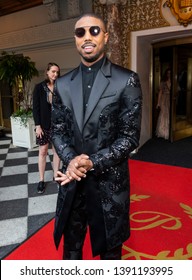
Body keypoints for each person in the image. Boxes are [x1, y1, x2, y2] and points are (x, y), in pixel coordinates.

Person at [51, 13, 142, 260]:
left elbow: (129, 137)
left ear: (106, 36)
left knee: (110, 255)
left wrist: (92, 162)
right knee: (71, 251)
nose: (87, 37)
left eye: (94, 31)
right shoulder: (62, 84)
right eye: (80, 32)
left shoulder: (126, 80)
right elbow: (57, 130)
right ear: (75, 40)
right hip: (72, 183)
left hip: (109, 185)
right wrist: (71, 160)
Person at [33, 62, 61, 194]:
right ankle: (41, 180)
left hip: (57, 125)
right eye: (53, 72)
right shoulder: (39, 88)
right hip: (43, 126)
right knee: (43, 152)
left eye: (57, 72)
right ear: (47, 72)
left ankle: (56, 176)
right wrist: (37, 126)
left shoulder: (60, 87)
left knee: (57, 152)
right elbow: (36, 108)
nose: (55, 74)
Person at [156, 68, 171, 140]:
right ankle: (163, 132)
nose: (169, 74)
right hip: (164, 99)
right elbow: (160, 92)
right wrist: (158, 103)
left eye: (170, 73)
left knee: (169, 115)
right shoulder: (163, 82)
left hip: (171, 99)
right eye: (168, 73)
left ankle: (170, 132)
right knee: (164, 114)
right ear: (166, 74)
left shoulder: (174, 81)